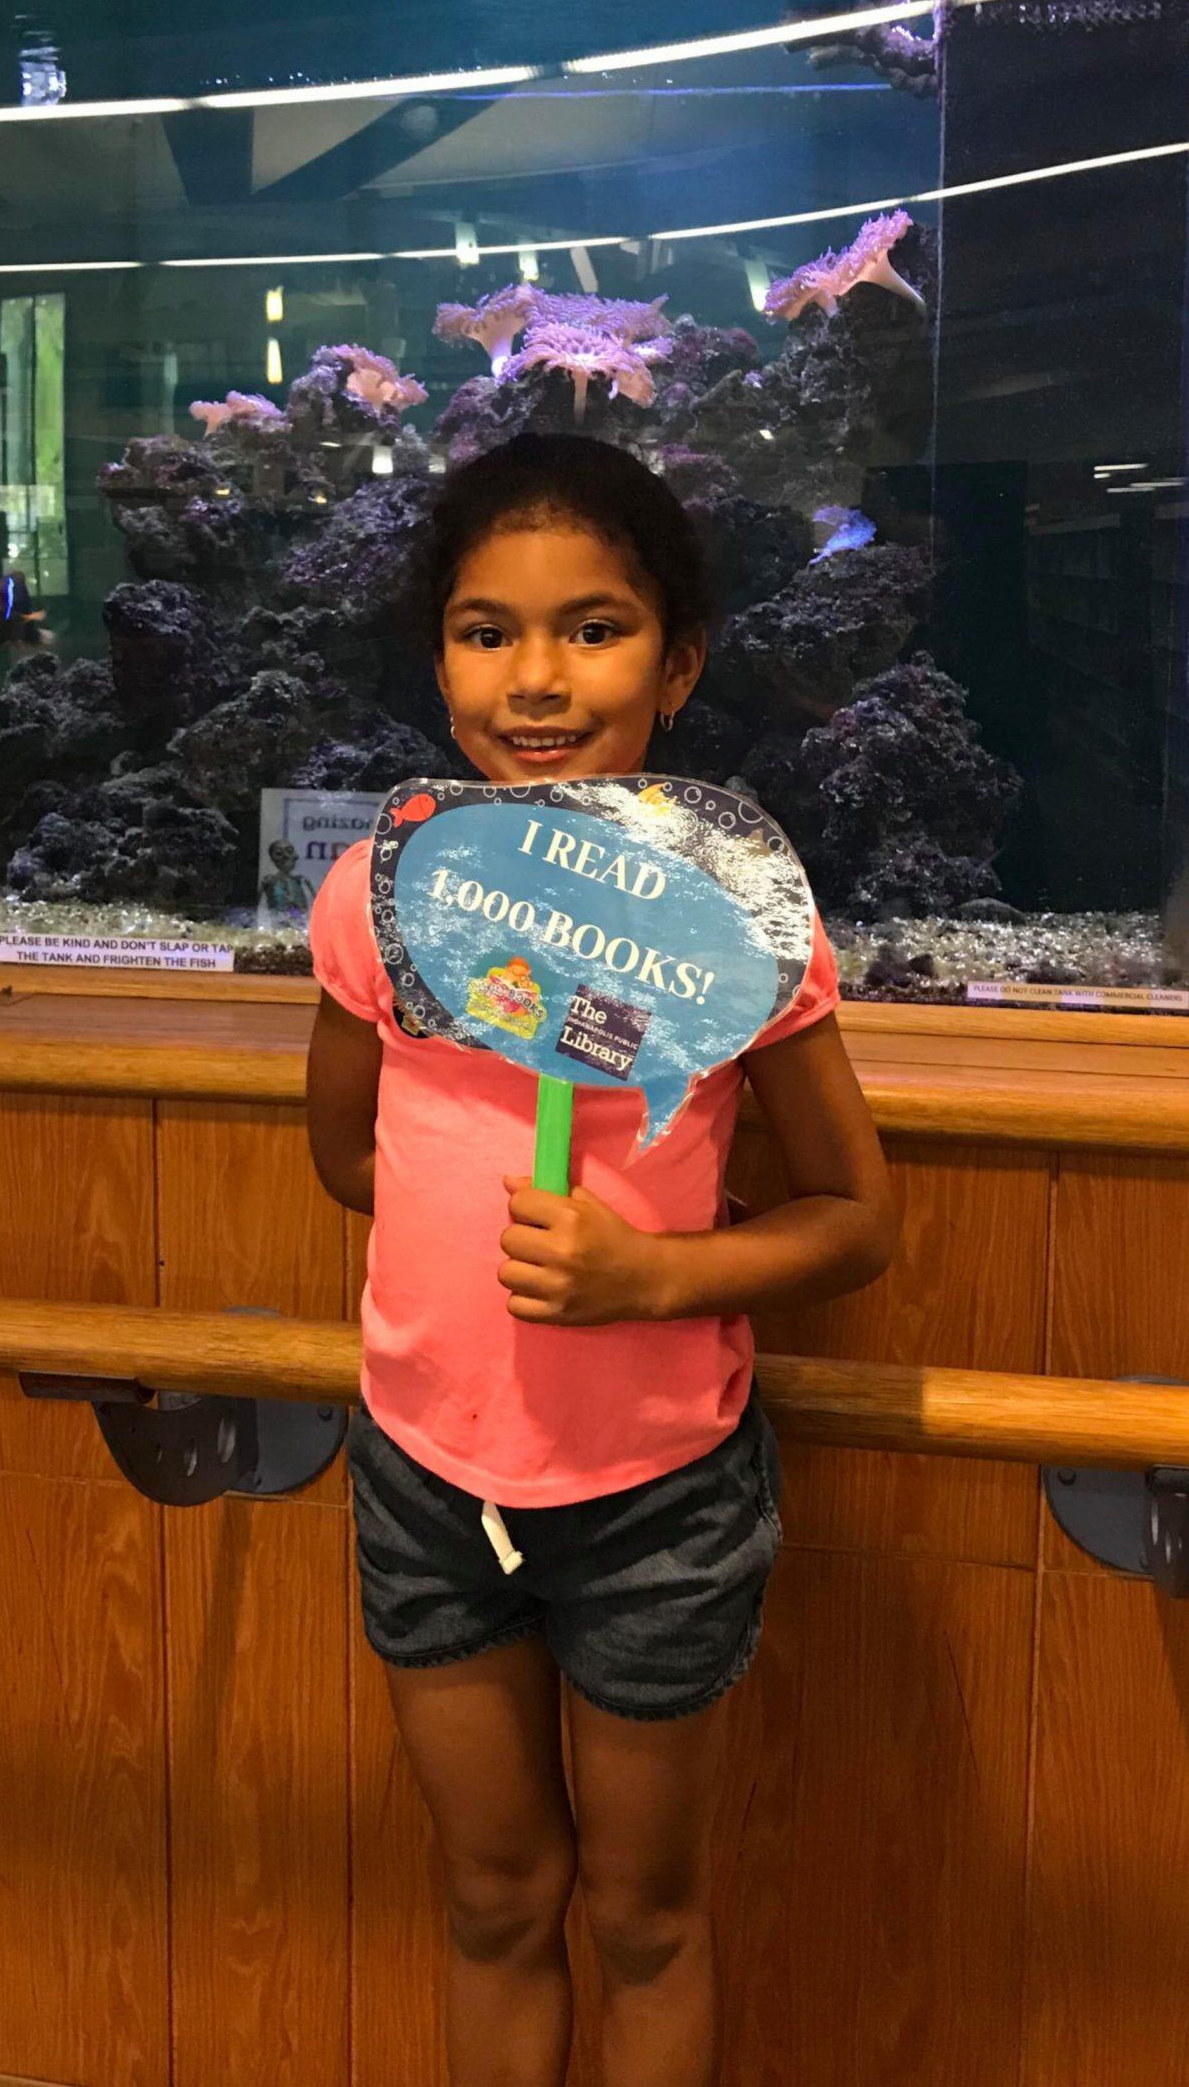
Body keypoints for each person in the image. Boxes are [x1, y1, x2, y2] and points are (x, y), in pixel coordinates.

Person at [303, 433, 896, 2087]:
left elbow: (856, 1218)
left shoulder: (743, 922)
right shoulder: (382, 892)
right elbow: (346, 1150)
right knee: (493, 1891)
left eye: (597, 625)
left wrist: (656, 1278)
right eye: (487, 630)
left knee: (645, 1913)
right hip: (426, 1477)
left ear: (679, 661)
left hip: (658, 1499)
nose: (537, 674)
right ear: (439, 661)